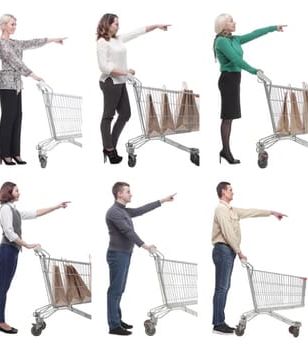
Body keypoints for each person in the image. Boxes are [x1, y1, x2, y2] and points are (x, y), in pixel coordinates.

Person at [210, 181, 285, 334]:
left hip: (228, 251)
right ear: (223, 192)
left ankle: (219, 322)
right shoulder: (221, 209)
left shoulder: (232, 210)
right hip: (223, 250)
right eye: (230, 190)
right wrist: (239, 252)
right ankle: (218, 324)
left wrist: (271, 212)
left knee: (224, 288)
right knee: (221, 288)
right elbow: (227, 232)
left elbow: (250, 212)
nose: (233, 192)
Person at [0, 181, 68, 334]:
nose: (19, 193)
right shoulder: (5, 209)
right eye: (16, 190)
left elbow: (34, 213)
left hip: (12, 251)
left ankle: (0, 321)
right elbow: (9, 232)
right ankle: (0, 322)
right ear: (8, 192)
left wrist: (56, 206)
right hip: (7, 250)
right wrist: (26, 244)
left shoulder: (14, 210)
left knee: (5, 287)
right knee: (3, 287)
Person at [95, 14, 169, 164]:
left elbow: (137, 32)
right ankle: (109, 149)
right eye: (115, 23)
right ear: (107, 24)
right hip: (110, 83)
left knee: (125, 114)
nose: (118, 26)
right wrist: (125, 72)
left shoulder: (117, 39)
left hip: (121, 81)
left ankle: (110, 146)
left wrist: (156, 25)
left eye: (118, 23)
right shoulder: (102, 42)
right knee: (108, 116)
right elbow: (104, 66)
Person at [212, 14, 285, 164]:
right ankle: (226, 151)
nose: (234, 22)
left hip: (234, 80)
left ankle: (225, 150)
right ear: (222, 24)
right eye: (230, 21)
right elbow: (236, 59)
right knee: (227, 117)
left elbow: (253, 34)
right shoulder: (221, 41)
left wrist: (273, 28)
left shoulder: (234, 39)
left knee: (230, 117)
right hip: (228, 80)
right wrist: (254, 71)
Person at [104, 181, 174, 335]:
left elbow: (142, 210)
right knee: (115, 290)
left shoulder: (123, 211)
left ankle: (117, 319)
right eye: (128, 191)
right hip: (117, 254)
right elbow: (127, 231)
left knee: (119, 289)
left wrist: (162, 200)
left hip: (124, 254)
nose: (131, 194)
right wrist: (144, 245)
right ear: (119, 194)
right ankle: (114, 326)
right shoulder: (114, 212)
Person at [0, 14, 65, 166]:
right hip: (6, 84)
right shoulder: (1, 44)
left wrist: (52, 40)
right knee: (8, 119)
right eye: (12, 24)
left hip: (17, 85)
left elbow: (32, 42)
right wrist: (34, 76)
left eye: (15, 24)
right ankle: (5, 154)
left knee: (17, 118)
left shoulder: (15, 42)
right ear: (4, 26)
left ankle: (16, 153)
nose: (14, 27)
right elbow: (15, 62)